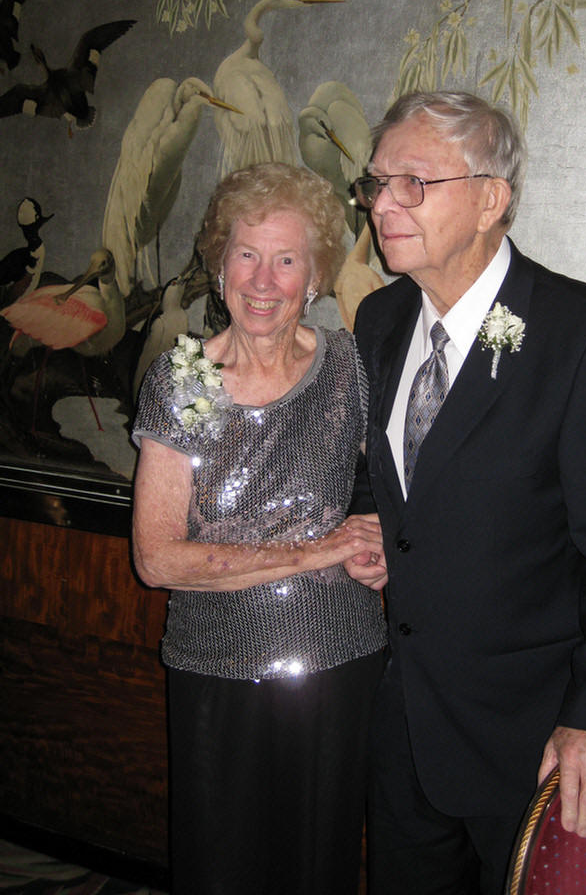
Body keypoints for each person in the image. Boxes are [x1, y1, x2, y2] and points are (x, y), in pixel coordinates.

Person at [345, 91, 586, 894]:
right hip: (409, 732)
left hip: (539, 744)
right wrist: (367, 516)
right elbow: (388, 473)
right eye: (376, 182)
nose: (382, 204)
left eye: (413, 183)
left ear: (492, 198)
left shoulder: (581, 337)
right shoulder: (382, 321)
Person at [131, 162, 387, 895]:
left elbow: (405, 497)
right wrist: (317, 551)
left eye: (286, 259)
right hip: (215, 668)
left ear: (315, 277)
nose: (264, 280)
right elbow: (156, 559)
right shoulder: (182, 380)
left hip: (340, 663)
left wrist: (380, 547)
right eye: (247, 254)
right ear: (220, 268)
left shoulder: (350, 366)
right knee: (223, 867)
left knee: (320, 865)